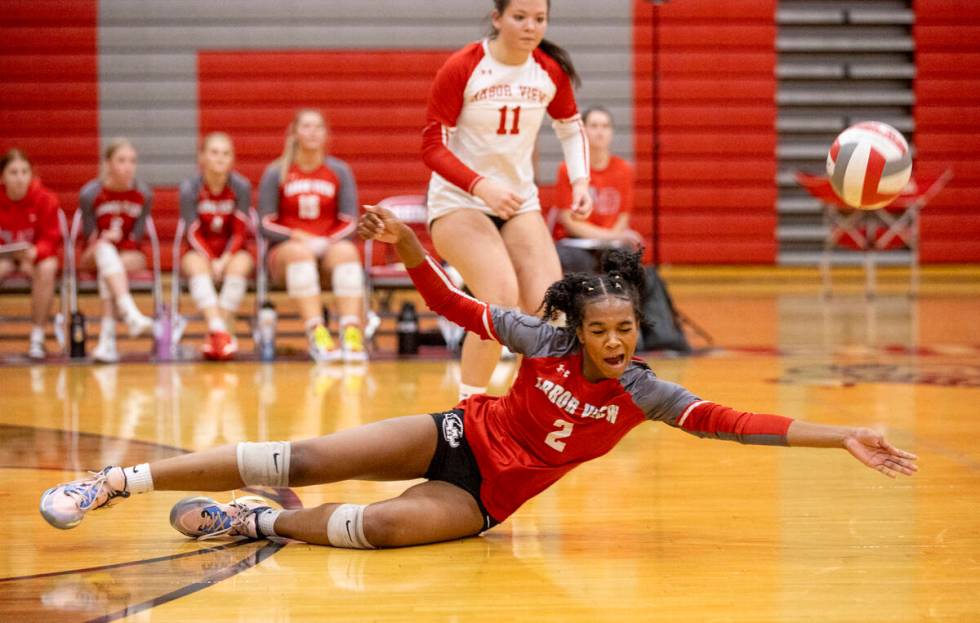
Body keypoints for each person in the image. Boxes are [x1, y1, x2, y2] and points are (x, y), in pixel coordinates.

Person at [38, 204, 919, 549]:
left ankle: (253, 523)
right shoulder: (540, 339)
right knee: (298, 450)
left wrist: (841, 433)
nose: (616, 342)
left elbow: (736, 421)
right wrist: (413, 248)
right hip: (458, 434)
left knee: (377, 530)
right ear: (577, 325)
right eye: (602, 329)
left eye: (626, 330)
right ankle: (111, 480)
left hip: (489, 496)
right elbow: (455, 307)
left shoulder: (648, 391)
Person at [423, 0, 593, 400]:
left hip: (517, 204)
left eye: (539, 19)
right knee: (498, 303)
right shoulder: (464, 66)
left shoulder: (549, 71)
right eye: (520, 17)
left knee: (552, 310)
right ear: (497, 18)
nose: (530, 27)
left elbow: (570, 128)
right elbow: (432, 147)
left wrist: (581, 182)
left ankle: (532, 410)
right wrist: (480, 185)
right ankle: (468, 415)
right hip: (458, 202)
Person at [258, 109, 367, 363]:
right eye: (306, 127)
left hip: (327, 248)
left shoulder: (339, 171)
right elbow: (264, 222)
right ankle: (317, 333)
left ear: (326, 134)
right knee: (300, 253)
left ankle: (351, 332)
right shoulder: (277, 172)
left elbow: (351, 221)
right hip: (287, 252)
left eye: (318, 127)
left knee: (347, 252)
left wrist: (328, 242)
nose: (313, 132)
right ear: (294, 133)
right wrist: (298, 236)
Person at [78, 138, 155, 364]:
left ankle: (107, 340)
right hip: (94, 252)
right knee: (104, 251)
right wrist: (104, 239)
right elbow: (88, 236)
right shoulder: (90, 194)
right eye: (121, 160)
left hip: (128, 254)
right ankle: (130, 313)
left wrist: (119, 242)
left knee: (109, 268)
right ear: (108, 163)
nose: (128, 166)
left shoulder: (144, 194)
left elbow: (138, 237)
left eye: (132, 161)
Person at [179, 133, 254, 360]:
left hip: (232, 250)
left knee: (241, 265)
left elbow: (240, 229)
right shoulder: (190, 188)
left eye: (226, 154)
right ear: (201, 157)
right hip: (200, 250)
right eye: (214, 152)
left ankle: (216, 337)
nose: (220, 158)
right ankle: (220, 330)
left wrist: (225, 258)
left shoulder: (241, 186)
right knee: (194, 264)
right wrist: (212, 259)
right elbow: (192, 231)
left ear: (232, 159)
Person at [553, 106, 644, 274]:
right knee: (575, 261)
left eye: (605, 126)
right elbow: (569, 221)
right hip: (575, 243)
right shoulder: (567, 169)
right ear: (584, 131)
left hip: (611, 244)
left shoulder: (624, 170)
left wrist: (611, 238)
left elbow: (623, 217)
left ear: (611, 132)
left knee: (627, 259)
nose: (600, 132)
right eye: (594, 126)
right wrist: (609, 236)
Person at [0, 149, 62, 359]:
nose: (19, 178)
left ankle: (37, 336)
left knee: (48, 267)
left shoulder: (45, 199)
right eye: (13, 172)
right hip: (4, 257)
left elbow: (52, 238)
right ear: (3, 177)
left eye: (24, 172)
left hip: (33, 256)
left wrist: (35, 252)